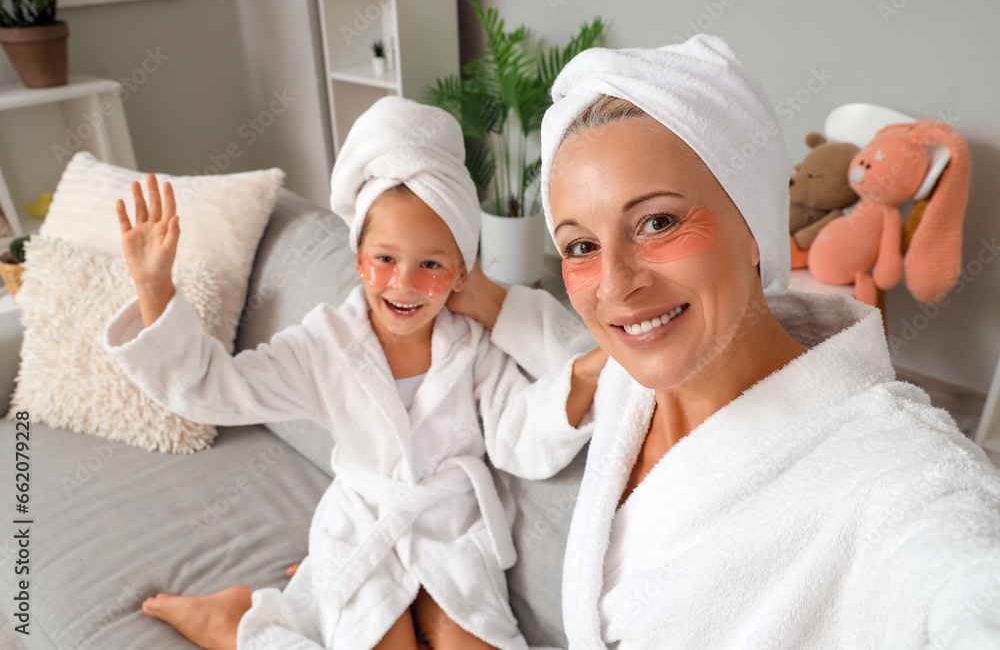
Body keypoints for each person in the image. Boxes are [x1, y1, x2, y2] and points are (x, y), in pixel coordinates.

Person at [538, 34, 1000, 648]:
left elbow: (962, 576)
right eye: (581, 247)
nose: (617, 286)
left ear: (754, 226)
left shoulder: (897, 470)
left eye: (658, 222)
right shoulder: (632, 377)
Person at [103, 97, 603, 650]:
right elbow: (216, 388)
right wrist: (154, 291)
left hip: (453, 534)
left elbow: (516, 437)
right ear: (355, 255)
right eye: (384, 258)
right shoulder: (325, 346)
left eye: (431, 265)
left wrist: (584, 376)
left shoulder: (474, 345)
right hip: (364, 525)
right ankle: (241, 622)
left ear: (461, 272)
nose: (404, 284)